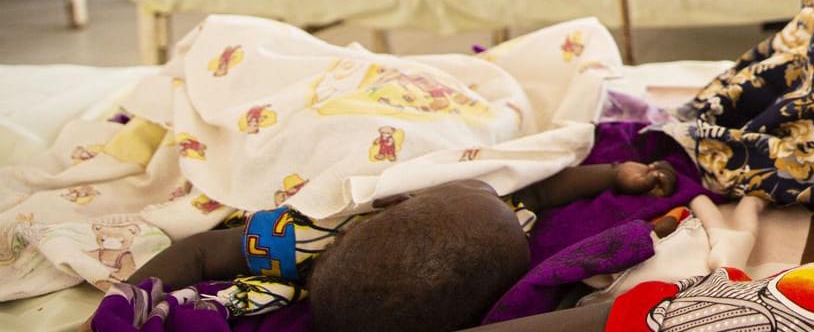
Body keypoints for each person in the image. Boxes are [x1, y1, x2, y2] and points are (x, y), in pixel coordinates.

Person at [125, 163, 679, 332]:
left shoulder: (292, 239)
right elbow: (540, 188)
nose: (493, 183)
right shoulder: (500, 224)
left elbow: (200, 254)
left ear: (394, 204)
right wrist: (612, 174)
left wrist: (129, 295)